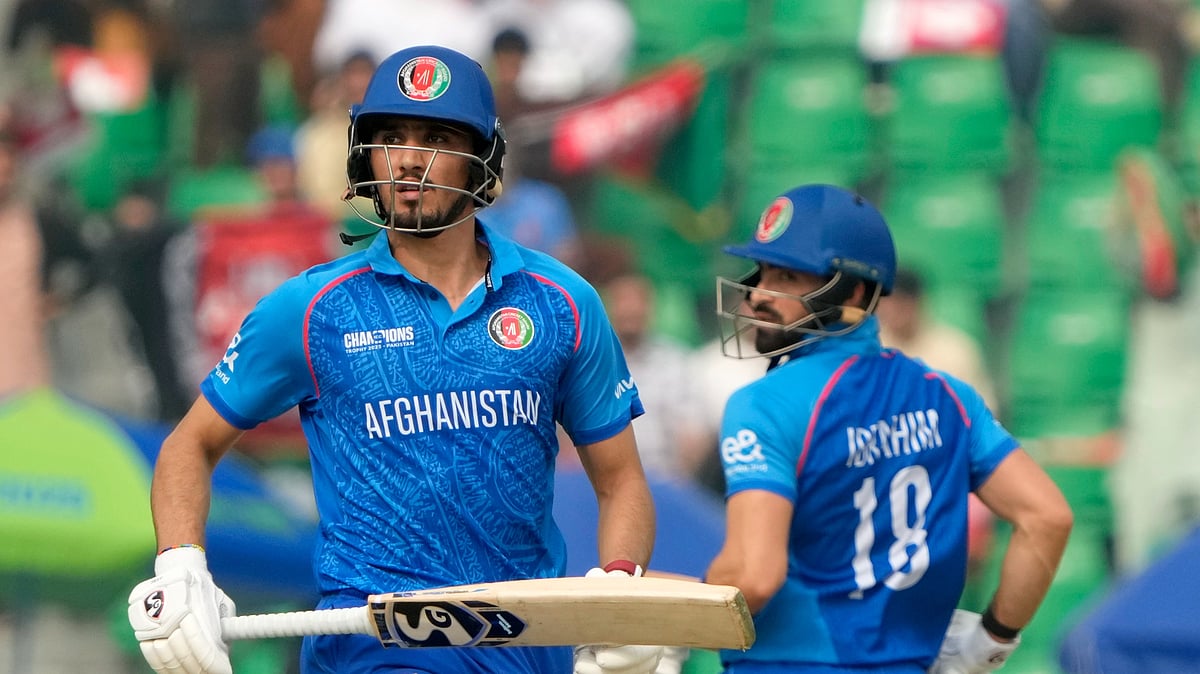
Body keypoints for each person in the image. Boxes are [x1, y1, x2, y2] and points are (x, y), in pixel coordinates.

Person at [126, 45, 666, 674]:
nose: (410, 160)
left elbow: (621, 479)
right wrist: (182, 563)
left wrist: (619, 584)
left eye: (436, 137)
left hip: (527, 651)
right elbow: (188, 446)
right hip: (372, 650)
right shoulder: (312, 308)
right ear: (366, 156)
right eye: (391, 138)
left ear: (482, 160)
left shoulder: (564, 303)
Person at [702, 184, 1074, 673]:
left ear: (854, 293)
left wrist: (657, 619)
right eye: (763, 271)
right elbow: (1047, 519)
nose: (757, 293)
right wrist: (990, 641)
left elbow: (753, 577)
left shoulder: (764, 404)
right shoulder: (950, 397)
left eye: (787, 276)